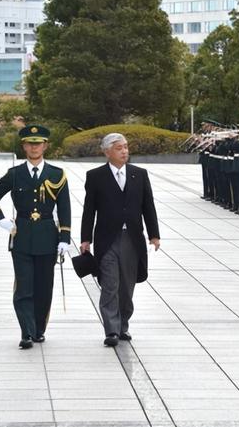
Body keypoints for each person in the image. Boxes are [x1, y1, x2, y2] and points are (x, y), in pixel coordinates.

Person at [0, 124, 71, 349]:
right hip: (21, 237)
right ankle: (26, 332)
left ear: (45, 146)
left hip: (47, 237)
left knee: (43, 287)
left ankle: (39, 329)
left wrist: (64, 238)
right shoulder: (15, 175)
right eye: (30, 144)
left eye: (38, 143)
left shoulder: (57, 175)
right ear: (23, 146)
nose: (34, 147)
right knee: (24, 287)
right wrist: (1, 220)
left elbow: (65, 208)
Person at [80, 133, 160, 347]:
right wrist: (85, 238)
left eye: (126, 147)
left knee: (126, 286)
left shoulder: (139, 174)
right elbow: (89, 210)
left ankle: (123, 324)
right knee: (110, 285)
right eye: (119, 148)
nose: (124, 151)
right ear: (107, 152)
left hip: (132, 239)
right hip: (107, 239)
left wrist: (154, 235)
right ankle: (111, 330)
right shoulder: (95, 176)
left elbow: (148, 206)